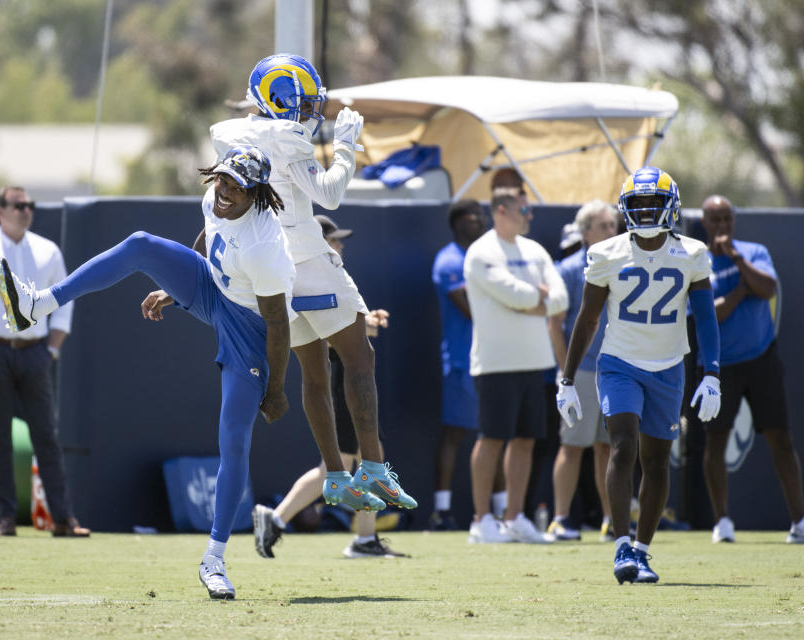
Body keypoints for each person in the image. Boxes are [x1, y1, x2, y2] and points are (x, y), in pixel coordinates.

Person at [0, 146, 294, 600]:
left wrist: (276, 388)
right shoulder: (216, 199)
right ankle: (37, 305)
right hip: (216, 290)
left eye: (237, 186)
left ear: (256, 194)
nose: (226, 191)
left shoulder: (265, 248)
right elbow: (208, 241)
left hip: (253, 330)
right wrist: (173, 288)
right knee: (140, 245)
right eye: (223, 180)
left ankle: (214, 559)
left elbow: (278, 324)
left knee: (233, 441)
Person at [209, 53, 416, 513]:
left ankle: (336, 475)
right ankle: (375, 469)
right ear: (281, 100)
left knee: (315, 372)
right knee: (360, 356)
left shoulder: (234, 137)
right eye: (304, 103)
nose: (310, 112)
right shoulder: (286, 137)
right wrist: (346, 148)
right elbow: (330, 195)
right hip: (307, 257)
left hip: (271, 268)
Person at [556, 166, 722, 584]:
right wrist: (567, 378)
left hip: (668, 366)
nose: (646, 212)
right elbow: (588, 319)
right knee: (623, 446)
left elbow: (705, 319)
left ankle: (643, 551)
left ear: (672, 207)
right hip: (620, 363)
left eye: (654, 203)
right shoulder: (606, 253)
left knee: (657, 460)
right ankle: (621, 547)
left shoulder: (693, 253)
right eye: (639, 204)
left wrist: (713, 373)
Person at [252, 214, 407, 559]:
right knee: (348, 465)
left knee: (360, 460)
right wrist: (362, 327)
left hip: (347, 388)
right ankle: (279, 518)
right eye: (333, 239)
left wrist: (365, 322)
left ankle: (361, 537)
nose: (339, 245)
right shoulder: (308, 277)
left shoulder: (330, 274)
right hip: (341, 390)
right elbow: (327, 332)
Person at [0, 186, 88, 538]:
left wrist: (52, 349)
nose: (26, 211)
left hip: (35, 351)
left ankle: (62, 518)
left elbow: (66, 300)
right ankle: (5, 517)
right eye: (18, 205)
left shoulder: (48, 250)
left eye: (30, 205)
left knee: (46, 436)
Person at [464, 179, 568, 544]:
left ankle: (515, 517)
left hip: (534, 361)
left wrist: (538, 300)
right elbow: (512, 293)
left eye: (530, 210)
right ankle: (480, 522)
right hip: (495, 364)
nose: (530, 216)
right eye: (524, 210)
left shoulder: (536, 250)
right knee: (492, 439)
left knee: (525, 440)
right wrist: (536, 299)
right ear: (501, 211)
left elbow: (560, 295)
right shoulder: (481, 252)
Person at [697, 195, 804, 544]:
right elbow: (712, 313)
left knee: (782, 441)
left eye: (727, 218)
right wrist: (745, 290)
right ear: (704, 223)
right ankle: (723, 522)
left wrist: (737, 260)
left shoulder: (752, 251)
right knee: (715, 442)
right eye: (715, 220)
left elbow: (768, 287)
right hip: (719, 365)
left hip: (761, 358)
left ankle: (799, 522)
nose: (722, 226)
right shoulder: (697, 262)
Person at [429, 199, 506, 531]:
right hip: (463, 362)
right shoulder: (449, 260)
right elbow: (472, 309)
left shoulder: (486, 258)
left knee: (495, 434)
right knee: (456, 434)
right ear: (461, 221)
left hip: (493, 360)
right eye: (477, 218)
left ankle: (504, 513)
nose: (483, 224)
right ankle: (442, 511)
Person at [546, 200, 619, 541]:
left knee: (610, 448)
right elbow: (555, 324)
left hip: (617, 370)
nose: (611, 231)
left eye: (613, 225)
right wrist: (567, 375)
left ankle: (612, 520)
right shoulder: (569, 269)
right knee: (572, 445)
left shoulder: (624, 266)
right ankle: (560, 519)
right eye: (604, 225)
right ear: (585, 231)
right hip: (584, 373)